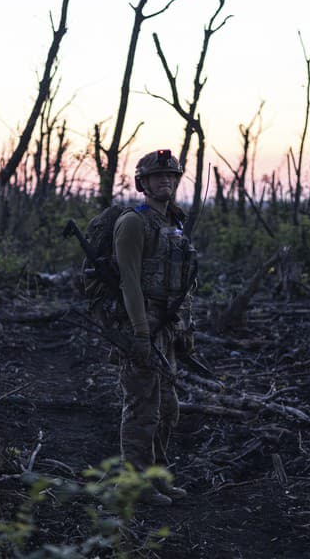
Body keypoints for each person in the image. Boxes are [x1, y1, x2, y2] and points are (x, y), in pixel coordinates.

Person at [113, 148, 196, 506]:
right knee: (142, 408)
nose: (166, 180)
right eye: (157, 176)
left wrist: (184, 329)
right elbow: (128, 281)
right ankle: (132, 485)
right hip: (140, 325)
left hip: (167, 327)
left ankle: (156, 477)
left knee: (167, 408)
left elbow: (182, 282)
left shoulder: (174, 222)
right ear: (142, 183)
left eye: (171, 176)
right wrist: (140, 333)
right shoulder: (134, 222)